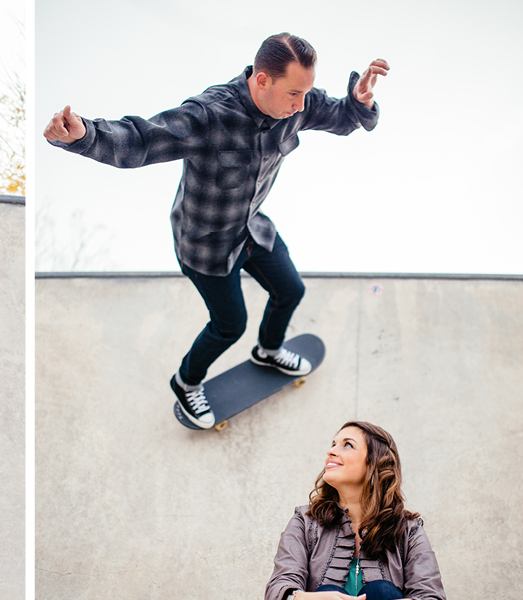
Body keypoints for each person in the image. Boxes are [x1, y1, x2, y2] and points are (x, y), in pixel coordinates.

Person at [44, 33, 389, 429]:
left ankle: (269, 350)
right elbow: (142, 140)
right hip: (204, 244)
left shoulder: (298, 104)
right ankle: (186, 381)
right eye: (294, 94)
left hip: (251, 230)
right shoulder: (210, 114)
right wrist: (84, 135)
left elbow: (341, 116)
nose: (300, 106)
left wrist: (358, 102)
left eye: (305, 94)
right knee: (229, 325)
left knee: (291, 289)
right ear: (262, 81)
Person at [263, 422, 448, 600]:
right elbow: (278, 589)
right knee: (324, 593)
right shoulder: (304, 522)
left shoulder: (409, 530)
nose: (331, 451)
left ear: (376, 463)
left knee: (383, 595)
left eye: (346, 445)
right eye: (333, 443)